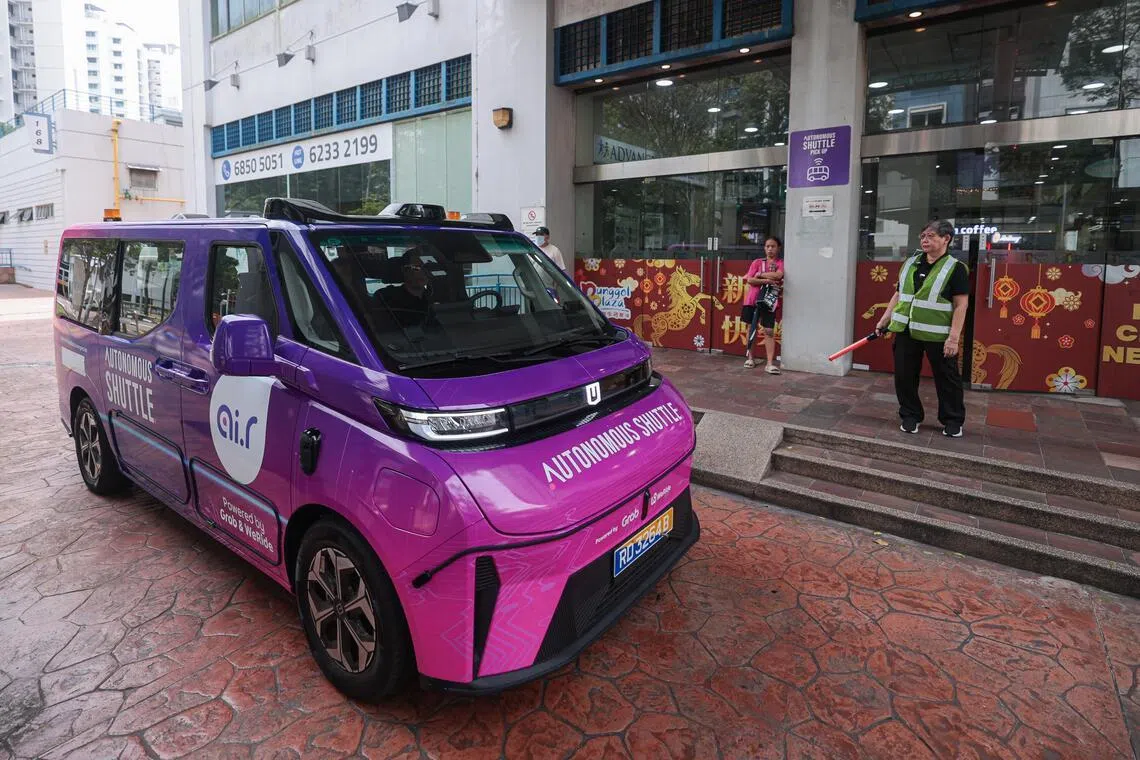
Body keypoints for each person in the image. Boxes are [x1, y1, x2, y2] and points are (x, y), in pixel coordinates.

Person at [875, 219, 970, 437]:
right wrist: (884, 320)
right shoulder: (910, 263)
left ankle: (953, 420)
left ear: (946, 239)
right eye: (922, 236)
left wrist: (954, 338)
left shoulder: (955, 269)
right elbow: (899, 294)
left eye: (930, 236)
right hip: (906, 330)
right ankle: (910, 415)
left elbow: (961, 305)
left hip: (938, 334)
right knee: (904, 376)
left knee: (947, 379)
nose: (924, 240)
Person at [741, 236, 785, 374]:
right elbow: (749, 279)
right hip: (752, 300)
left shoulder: (780, 262)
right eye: (767, 246)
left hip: (769, 301)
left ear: (778, 248)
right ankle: (750, 358)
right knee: (751, 328)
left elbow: (778, 275)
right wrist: (765, 279)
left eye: (773, 246)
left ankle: (770, 363)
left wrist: (759, 275)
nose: (770, 249)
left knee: (769, 331)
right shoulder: (757, 262)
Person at [375, 247, 433, 328]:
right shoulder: (386, 297)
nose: (423, 272)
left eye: (426, 267)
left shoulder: (433, 298)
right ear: (404, 270)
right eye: (416, 267)